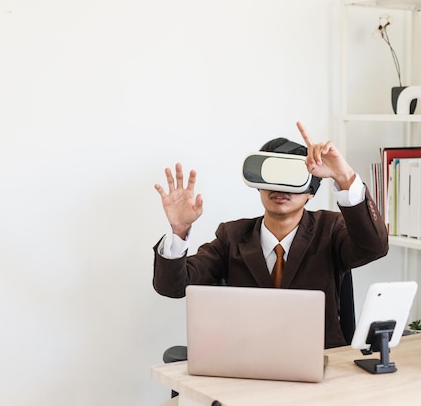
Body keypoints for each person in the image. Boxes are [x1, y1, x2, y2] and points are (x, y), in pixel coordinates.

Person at [152, 122, 389, 348]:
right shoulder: (231, 236)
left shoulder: (330, 229)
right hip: (248, 362)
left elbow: (374, 247)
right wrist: (179, 231)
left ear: (311, 191)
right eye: (272, 177)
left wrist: (345, 177)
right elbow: (173, 286)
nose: (280, 188)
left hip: (319, 361)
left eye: (291, 177)